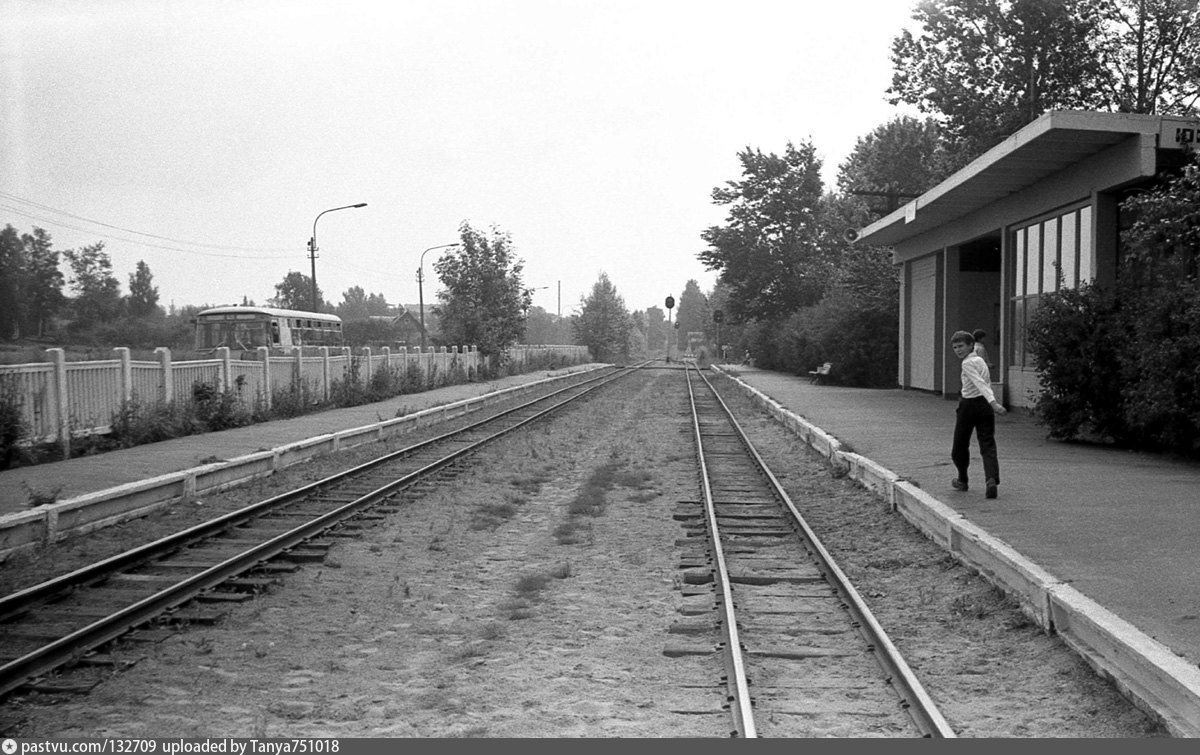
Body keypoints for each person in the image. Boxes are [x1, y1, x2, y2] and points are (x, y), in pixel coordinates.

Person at [949, 330, 1007, 499]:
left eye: (961, 346)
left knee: (959, 445)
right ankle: (991, 479)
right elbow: (985, 383)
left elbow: (980, 383)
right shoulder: (980, 360)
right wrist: (990, 403)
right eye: (955, 348)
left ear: (971, 345)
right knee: (987, 443)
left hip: (969, 406)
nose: (958, 350)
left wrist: (994, 403)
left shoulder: (967, 363)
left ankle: (962, 479)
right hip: (984, 407)